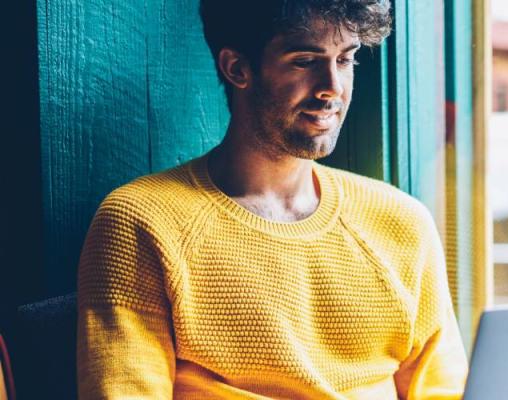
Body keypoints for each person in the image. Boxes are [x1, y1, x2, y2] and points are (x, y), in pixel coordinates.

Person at [76, 0, 468, 398]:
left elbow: (446, 391)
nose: (333, 87)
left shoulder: (401, 220)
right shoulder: (142, 220)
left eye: (346, 60)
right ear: (237, 68)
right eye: (304, 61)